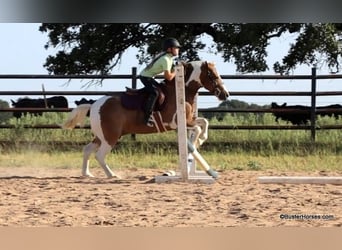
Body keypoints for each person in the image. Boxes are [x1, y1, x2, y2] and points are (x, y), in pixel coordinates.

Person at [139, 37, 181, 126]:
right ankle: (146, 118)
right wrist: (176, 72)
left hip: (150, 77)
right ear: (170, 49)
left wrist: (175, 69)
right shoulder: (165, 59)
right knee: (155, 93)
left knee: (161, 90)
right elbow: (168, 77)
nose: (178, 49)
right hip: (145, 77)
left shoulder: (169, 59)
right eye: (176, 48)